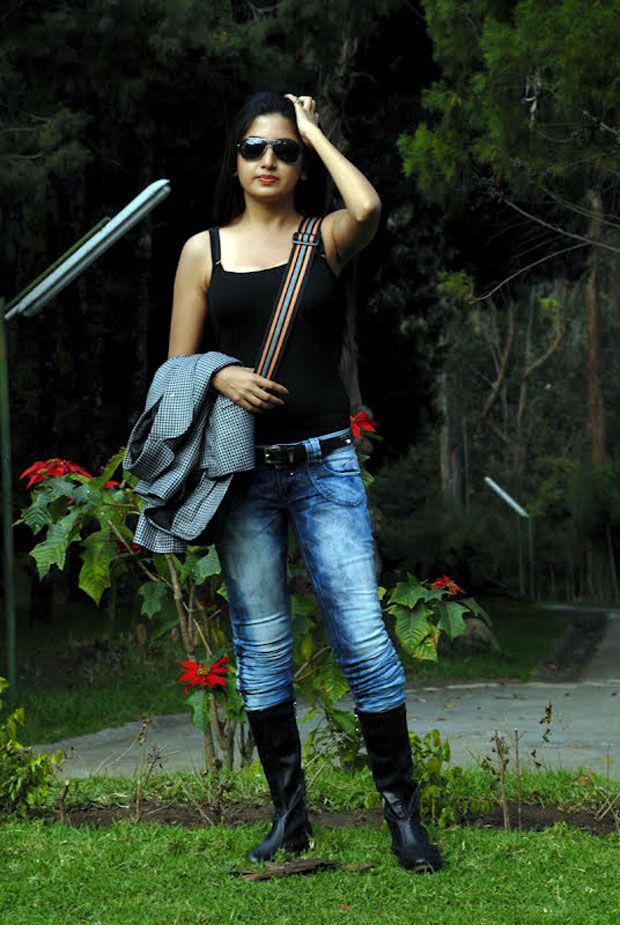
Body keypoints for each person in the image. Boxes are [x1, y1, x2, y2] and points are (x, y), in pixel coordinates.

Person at [167, 90, 442, 874]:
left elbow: (370, 204)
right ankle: (289, 820)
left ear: (300, 162)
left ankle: (403, 818)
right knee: (261, 645)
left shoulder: (324, 237)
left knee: (363, 635)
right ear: (235, 160)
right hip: (244, 475)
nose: (269, 161)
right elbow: (174, 371)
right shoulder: (202, 252)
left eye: (284, 149)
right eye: (255, 148)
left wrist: (314, 129)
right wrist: (220, 375)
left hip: (326, 464)